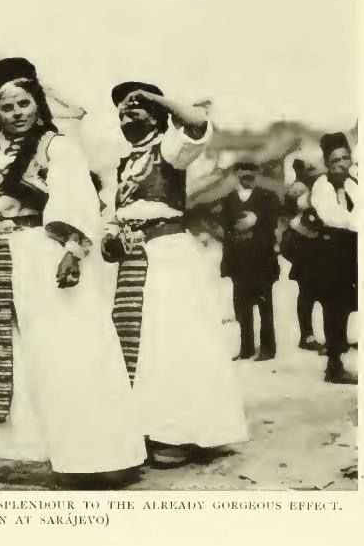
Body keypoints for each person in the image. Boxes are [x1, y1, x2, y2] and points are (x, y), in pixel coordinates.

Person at [0, 58, 147, 489]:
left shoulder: (56, 147)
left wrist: (72, 252)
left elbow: (77, 200)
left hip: (42, 254)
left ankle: (95, 455)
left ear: (37, 104)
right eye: (8, 107)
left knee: (64, 354)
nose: (17, 114)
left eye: (24, 104)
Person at [103, 81, 249, 467]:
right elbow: (118, 213)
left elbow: (197, 123)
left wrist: (156, 99)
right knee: (137, 344)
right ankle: (145, 428)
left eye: (136, 109)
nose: (127, 116)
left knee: (171, 342)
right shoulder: (124, 163)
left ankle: (178, 433)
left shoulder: (168, 149)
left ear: (156, 116)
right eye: (122, 112)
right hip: (133, 260)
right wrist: (111, 236)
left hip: (167, 254)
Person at [219, 159, 281, 361]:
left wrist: (256, 219)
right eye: (242, 171)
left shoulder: (268, 197)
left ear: (257, 174)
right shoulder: (229, 199)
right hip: (239, 261)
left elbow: (273, 222)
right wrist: (235, 234)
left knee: (265, 306)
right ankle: (246, 348)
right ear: (236, 173)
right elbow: (225, 227)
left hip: (261, 260)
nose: (247, 176)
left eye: (251, 172)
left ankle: (268, 349)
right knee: (242, 307)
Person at [310, 132, 357, 384]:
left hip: (353, 250)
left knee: (351, 304)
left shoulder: (354, 183)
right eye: (335, 160)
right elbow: (334, 217)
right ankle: (334, 365)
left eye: (345, 158)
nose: (341, 165)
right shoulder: (322, 186)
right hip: (331, 253)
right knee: (335, 307)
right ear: (327, 164)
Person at [281, 159, 325, 352]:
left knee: (311, 293)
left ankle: (310, 335)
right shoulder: (298, 190)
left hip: (311, 247)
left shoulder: (313, 188)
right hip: (304, 248)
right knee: (308, 294)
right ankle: (307, 336)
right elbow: (290, 217)